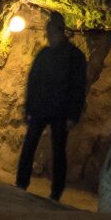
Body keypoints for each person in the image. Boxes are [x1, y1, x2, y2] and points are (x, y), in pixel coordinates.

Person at [15, 11, 87, 202]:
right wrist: (28, 108)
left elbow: (79, 87)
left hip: (61, 112)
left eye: (51, 32)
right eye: (48, 32)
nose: (48, 36)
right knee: (29, 145)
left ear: (61, 32)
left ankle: (56, 192)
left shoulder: (74, 57)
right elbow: (33, 81)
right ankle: (21, 183)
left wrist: (73, 115)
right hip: (40, 108)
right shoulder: (44, 55)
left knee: (58, 151)